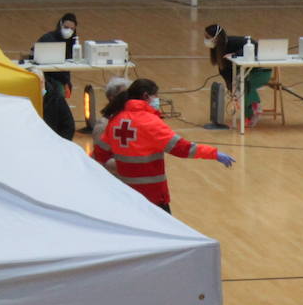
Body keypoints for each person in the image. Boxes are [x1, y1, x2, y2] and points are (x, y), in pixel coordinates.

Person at [96, 78, 235, 213]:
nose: (157, 100)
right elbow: (182, 149)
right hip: (152, 196)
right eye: (156, 95)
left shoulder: (116, 120)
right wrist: (213, 154)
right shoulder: (149, 122)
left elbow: (100, 153)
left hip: (125, 193)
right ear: (146, 96)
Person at [204, 23, 272, 128]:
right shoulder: (217, 50)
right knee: (238, 88)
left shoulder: (233, 41)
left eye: (207, 37)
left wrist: (235, 54)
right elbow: (224, 71)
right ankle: (249, 115)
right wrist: (231, 88)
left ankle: (256, 107)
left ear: (216, 37)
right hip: (245, 74)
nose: (205, 40)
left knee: (243, 83)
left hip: (261, 72)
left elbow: (254, 44)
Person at [90, 76, 131, 173]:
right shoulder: (103, 125)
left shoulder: (130, 120)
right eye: (124, 94)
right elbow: (99, 158)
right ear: (112, 98)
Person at [33, 12, 77, 95]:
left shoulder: (72, 42)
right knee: (55, 91)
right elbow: (33, 54)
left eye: (72, 29)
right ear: (60, 25)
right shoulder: (47, 38)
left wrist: (67, 82)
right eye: (66, 27)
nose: (69, 31)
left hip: (61, 78)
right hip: (46, 76)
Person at [34, 69, 75, 140]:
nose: (39, 86)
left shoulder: (57, 99)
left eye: (41, 82)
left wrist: (60, 143)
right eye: (34, 83)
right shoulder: (22, 101)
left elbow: (68, 126)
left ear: (44, 81)